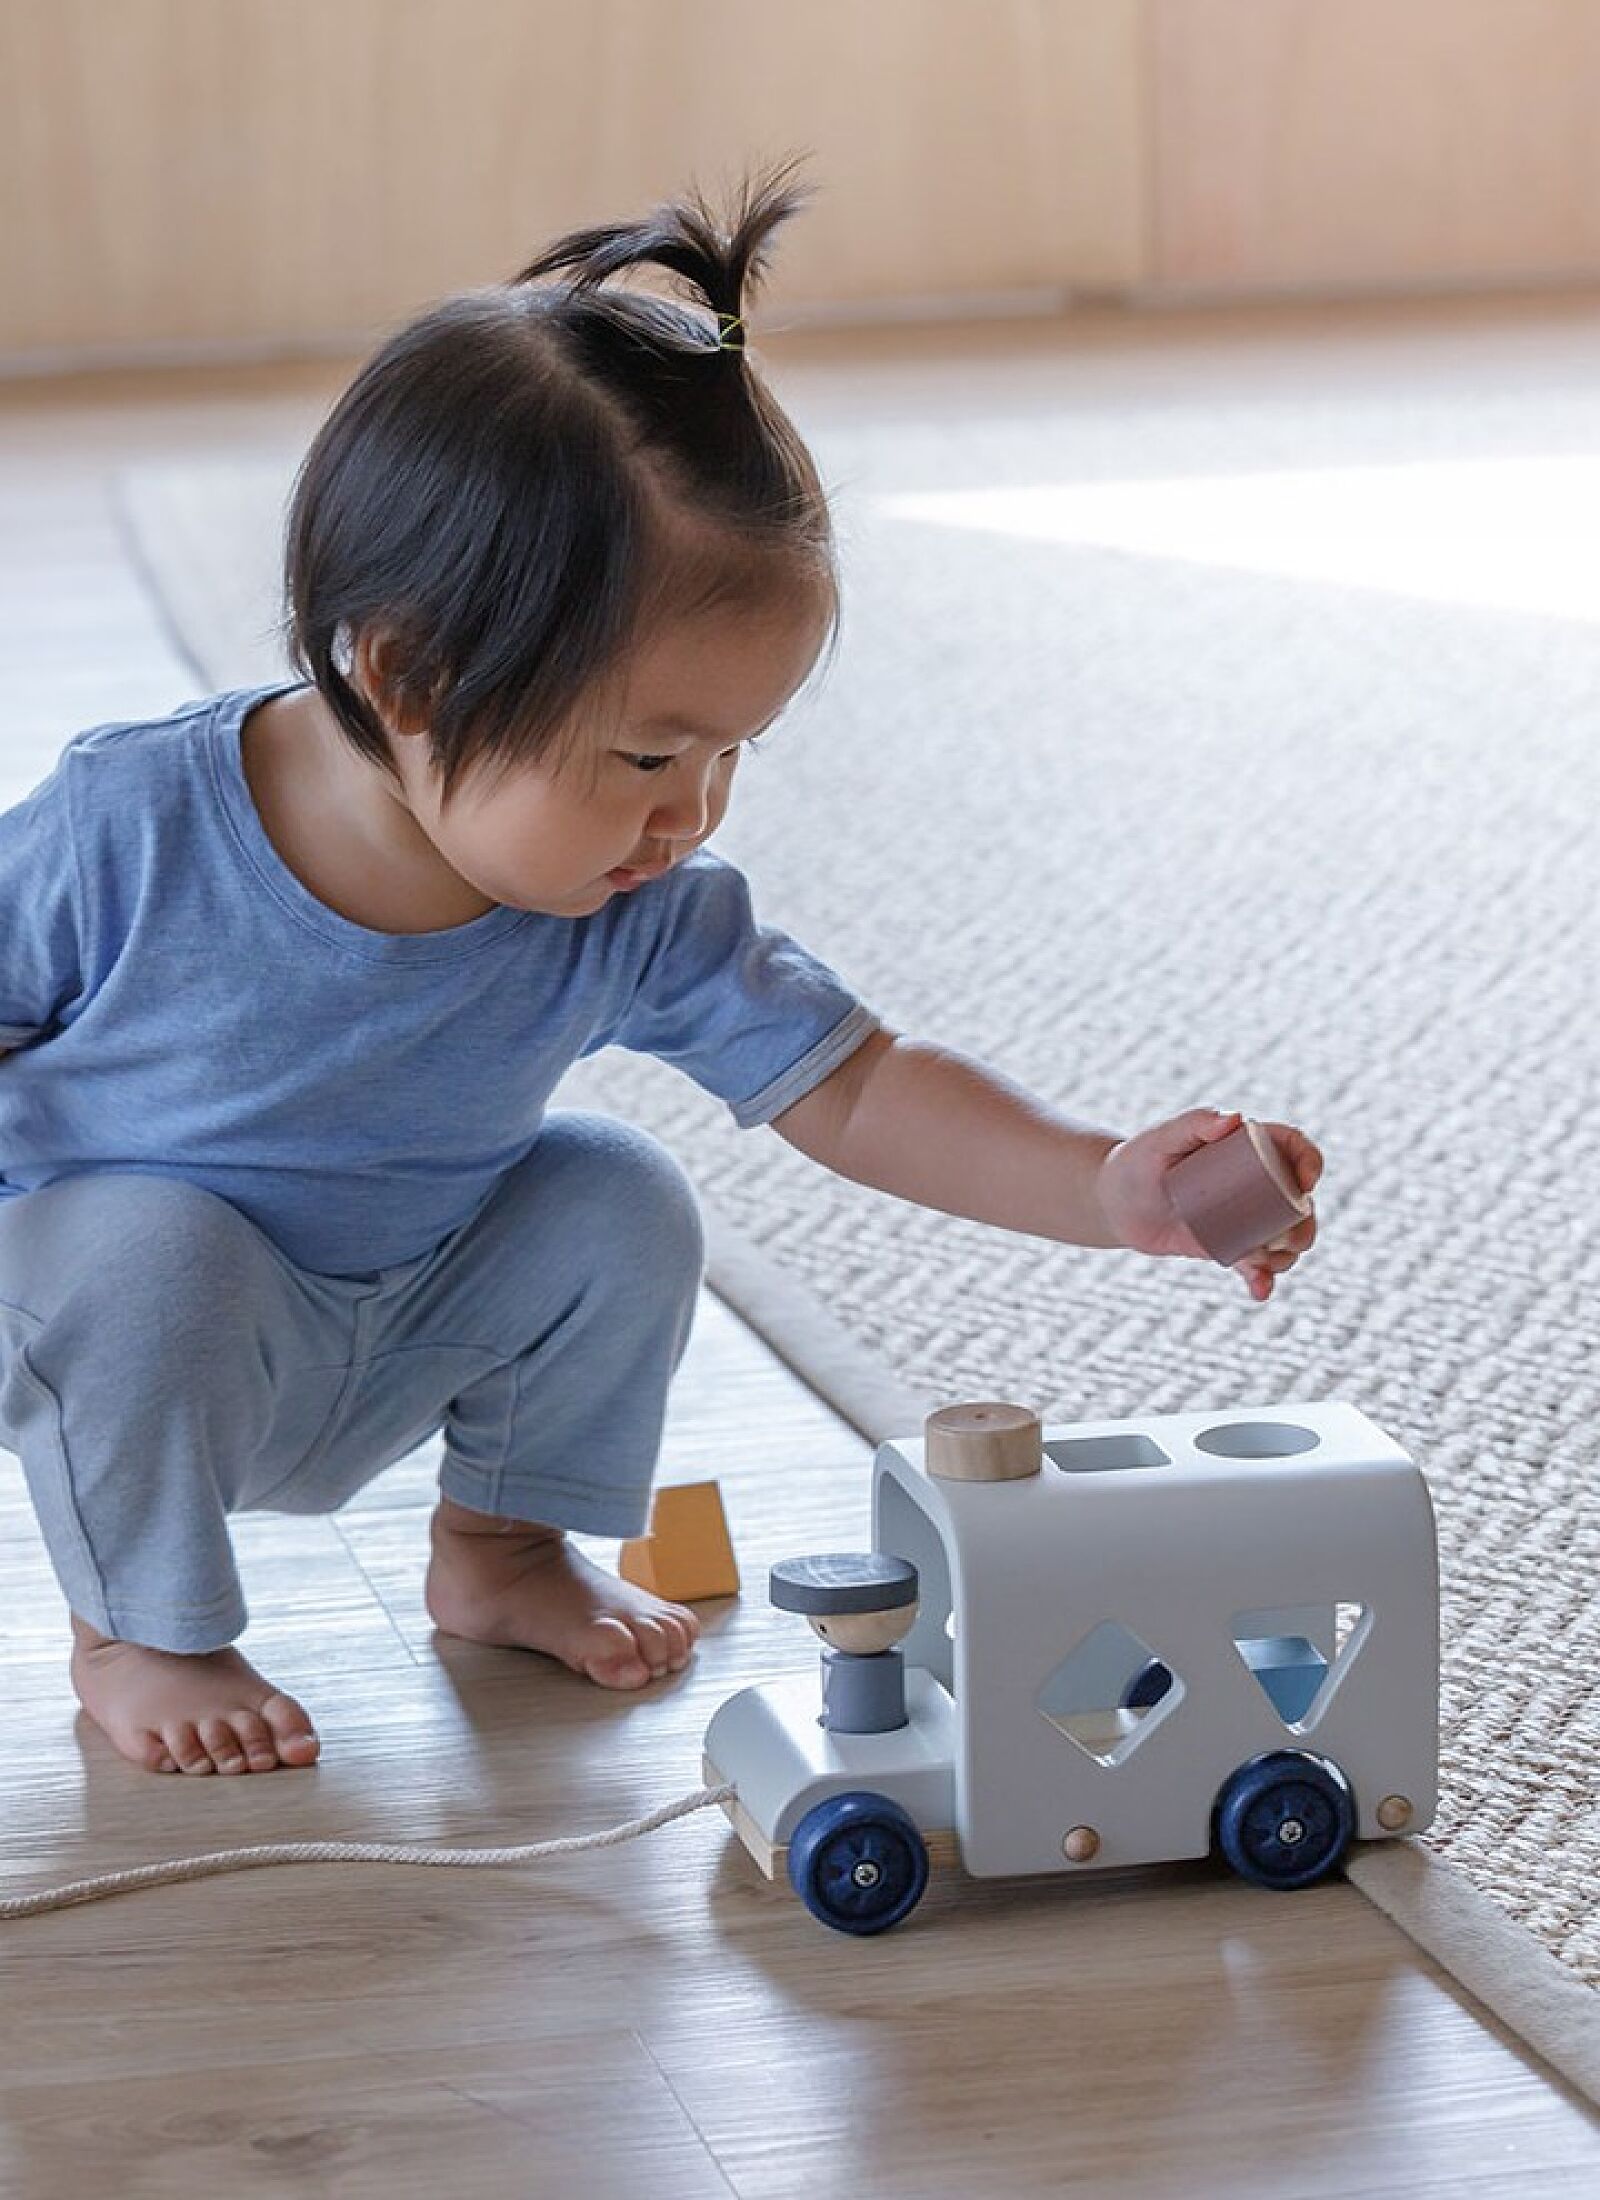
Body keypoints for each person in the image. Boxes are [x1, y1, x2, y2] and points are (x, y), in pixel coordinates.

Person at [0, 165, 1319, 1780]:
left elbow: (858, 1084)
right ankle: (140, 1629)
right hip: (122, 1331)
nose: (685, 815)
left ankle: (500, 1552)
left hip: (395, 1314)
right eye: (643, 754)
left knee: (620, 1196)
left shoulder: (624, 899)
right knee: (147, 1247)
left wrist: (1104, 1182)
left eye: (730, 756)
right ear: (405, 674)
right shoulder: (133, 824)